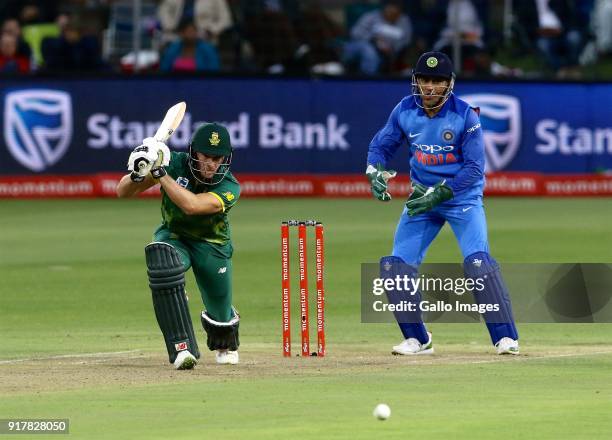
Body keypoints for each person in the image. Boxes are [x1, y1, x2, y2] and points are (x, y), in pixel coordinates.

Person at [365, 51, 519, 356]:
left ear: (449, 83)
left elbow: (475, 168)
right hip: (422, 200)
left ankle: (505, 338)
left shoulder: (466, 116)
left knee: (478, 263)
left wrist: (442, 192)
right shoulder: (404, 110)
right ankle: (418, 339)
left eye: (438, 80)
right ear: (417, 81)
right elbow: (381, 145)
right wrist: (375, 171)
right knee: (394, 267)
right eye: (425, 79)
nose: (430, 86)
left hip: (462, 199)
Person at [116, 122, 241, 369]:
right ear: (194, 152)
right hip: (174, 236)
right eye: (206, 157)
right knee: (164, 265)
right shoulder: (175, 162)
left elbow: (192, 206)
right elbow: (123, 192)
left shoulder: (230, 186)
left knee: (221, 325)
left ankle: (223, 337)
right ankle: (181, 348)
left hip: (212, 244)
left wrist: (161, 173)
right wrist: (139, 171)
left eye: (217, 159)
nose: (211, 165)